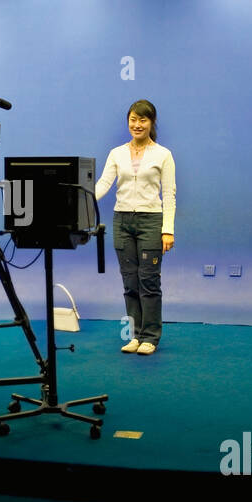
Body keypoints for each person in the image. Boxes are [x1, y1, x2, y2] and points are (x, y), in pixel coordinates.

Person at [95, 100, 176, 355]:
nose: (137, 125)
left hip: (151, 221)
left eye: (143, 120)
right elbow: (102, 185)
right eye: (133, 119)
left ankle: (151, 336)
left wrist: (168, 229)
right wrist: (78, 201)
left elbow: (169, 194)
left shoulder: (163, 154)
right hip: (122, 222)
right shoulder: (116, 153)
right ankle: (135, 335)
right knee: (130, 282)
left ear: (151, 123)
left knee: (148, 281)